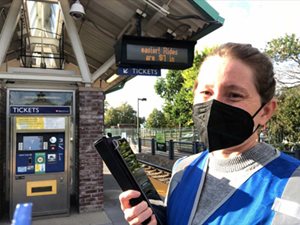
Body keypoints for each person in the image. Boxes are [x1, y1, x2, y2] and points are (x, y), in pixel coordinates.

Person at [119, 43, 300, 225]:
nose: (214, 105)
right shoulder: (183, 169)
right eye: (206, 92)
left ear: (266, 111)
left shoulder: (295, 185)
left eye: (234, 95)